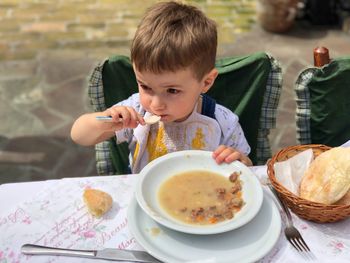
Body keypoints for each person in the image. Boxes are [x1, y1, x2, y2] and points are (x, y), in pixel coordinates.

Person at [70, 1, 252, 173]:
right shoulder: (137, 111)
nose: (155, 104)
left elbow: (248, 166)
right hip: (143, 194)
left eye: (172, 90)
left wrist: (240, 162)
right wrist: (105, 121)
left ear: (206, 82)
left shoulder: (223, 122)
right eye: (145, 86)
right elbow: (79, 135)